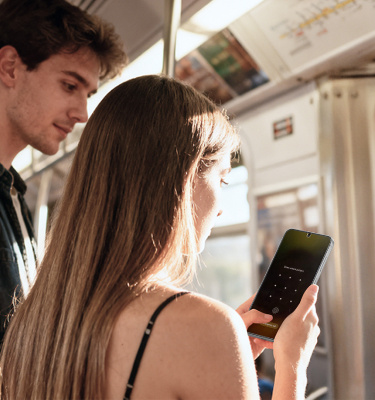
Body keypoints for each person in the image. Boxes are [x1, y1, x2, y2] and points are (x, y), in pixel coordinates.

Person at [0, 75, 320, 400]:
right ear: (184, 181)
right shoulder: (206, 326)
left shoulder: (31, 322)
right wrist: (292, 366)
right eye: (222, 181)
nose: (221, 209)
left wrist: (223, 350)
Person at [0, 0, 127, 345]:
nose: (83, 113)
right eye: (70, 86)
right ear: (10, 67)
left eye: (88, 94)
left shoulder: (12, 194)